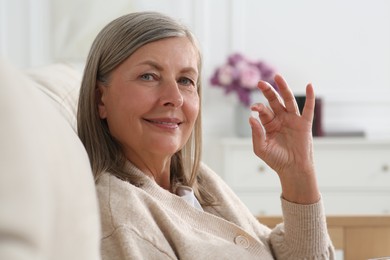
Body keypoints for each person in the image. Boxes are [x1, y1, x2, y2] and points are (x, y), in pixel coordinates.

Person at [77, 11, 335, 259]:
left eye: (186, 80)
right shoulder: (122, 219)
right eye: (148, 76)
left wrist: (298, 173)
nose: (174, 98)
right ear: (101, 99)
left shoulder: (197, 179)